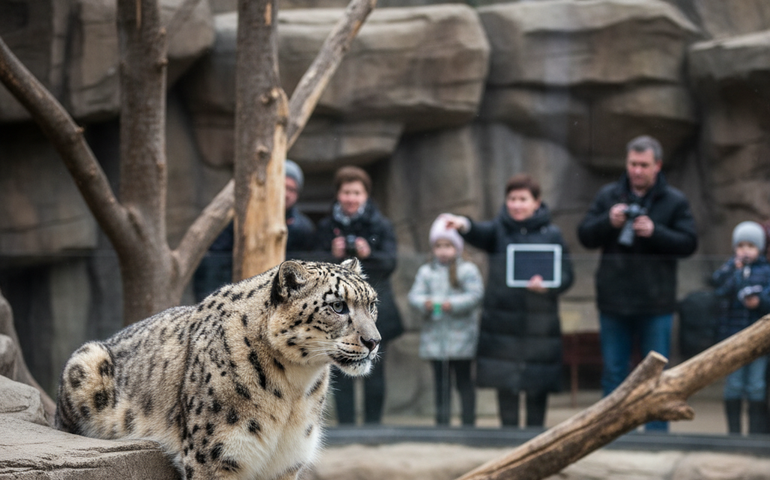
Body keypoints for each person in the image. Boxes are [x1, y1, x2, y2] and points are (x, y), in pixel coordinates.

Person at [577, 135, 697, 432]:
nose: (637, 170)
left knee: (655, 381)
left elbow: (689, 244)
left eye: (644, 165)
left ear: (657, 165)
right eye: (633, 164)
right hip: (614, 302)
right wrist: (609, 222)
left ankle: (655, 443)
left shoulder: (674, 201)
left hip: (656, 304)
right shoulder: (609, 196)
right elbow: (585, 236)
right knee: (614, 374)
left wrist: (656, 232)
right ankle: (607, 436)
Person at [445, 173, 574, 428]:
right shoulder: (498, 229)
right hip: (502, 324)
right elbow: (478, 232)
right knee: (506, 387)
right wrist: (463, 224)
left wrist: (549, 285)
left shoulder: (552, 234)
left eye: (523, 199)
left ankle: (535, 445)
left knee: (537, 388)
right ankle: (508, 444)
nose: (516, 204)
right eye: (512, 198)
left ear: (537, 202)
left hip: (539, 325)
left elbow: (568, 275)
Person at [315, 165, 404, 424]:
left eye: (356, 192)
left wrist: (369, 255)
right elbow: (312, 267)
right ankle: (346, 426)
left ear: (366, 195)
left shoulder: (381, 225)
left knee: (374, 371)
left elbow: (391, 264)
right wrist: (330, 254)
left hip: (377, 310)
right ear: (338, 195)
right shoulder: (326, 226)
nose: (351, 198)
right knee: (342, 369)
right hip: (338, 314)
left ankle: (374, 426)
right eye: (346, 192)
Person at [193, 159, 314, 300]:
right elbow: (217, 258)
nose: (286, 194)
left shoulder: (303, 227)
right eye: (283, 186)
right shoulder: (242, 218)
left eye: (292, 189)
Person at [408, 215, 484, 426]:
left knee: (464, 383)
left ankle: (468, 424)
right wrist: (427, 303)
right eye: (438, 245)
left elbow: (475, 295)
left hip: (462, 338)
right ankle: (442, 424)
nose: (443, 250)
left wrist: (452, 304)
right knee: (442, 385)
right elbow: (414, 296)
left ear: (457, 247)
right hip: (436, 338)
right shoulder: (426, 271)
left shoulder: (467, 270)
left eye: (448, 245)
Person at [711, 221, 770, 435]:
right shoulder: (729, 269)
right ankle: (733, 435)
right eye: (741, 245)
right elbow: (718, 289)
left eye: (751, 246)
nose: (745, 251)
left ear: (760, 248)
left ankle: (754, 436)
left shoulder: (766, 271)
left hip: (760, 341)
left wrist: (760, 302)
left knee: (756, 386)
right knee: (734, 385)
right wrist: (735, 273)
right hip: (733, 337)